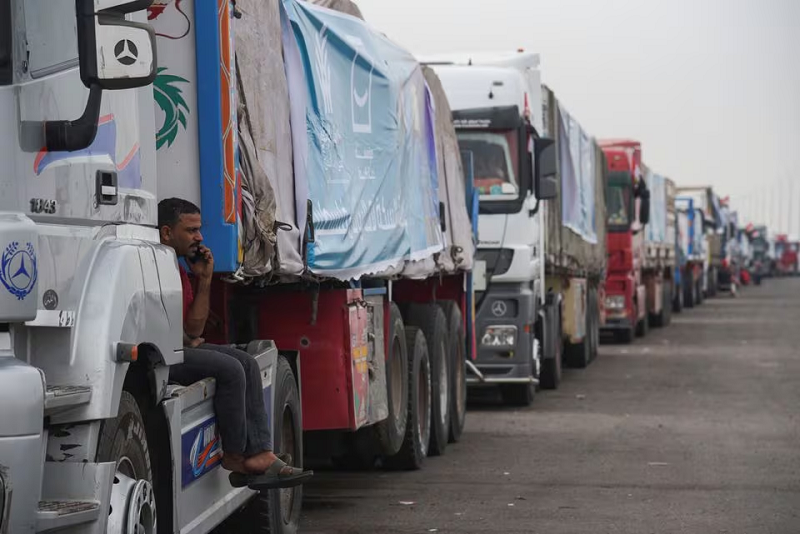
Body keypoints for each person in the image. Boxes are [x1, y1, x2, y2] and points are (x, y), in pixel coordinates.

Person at [158, 198, 311, 488]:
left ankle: (260, 454)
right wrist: (187, 338)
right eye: (191, 230)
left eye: (199, 230)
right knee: (230, 371)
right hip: (163, 358)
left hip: (180, 347)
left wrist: (204, 280)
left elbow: (193, 329)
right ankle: (234, 455)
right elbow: (188, 336)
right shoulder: (155, 263)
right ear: (167, 233)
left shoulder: (177, 267)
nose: (199, 237)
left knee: (248, 363)